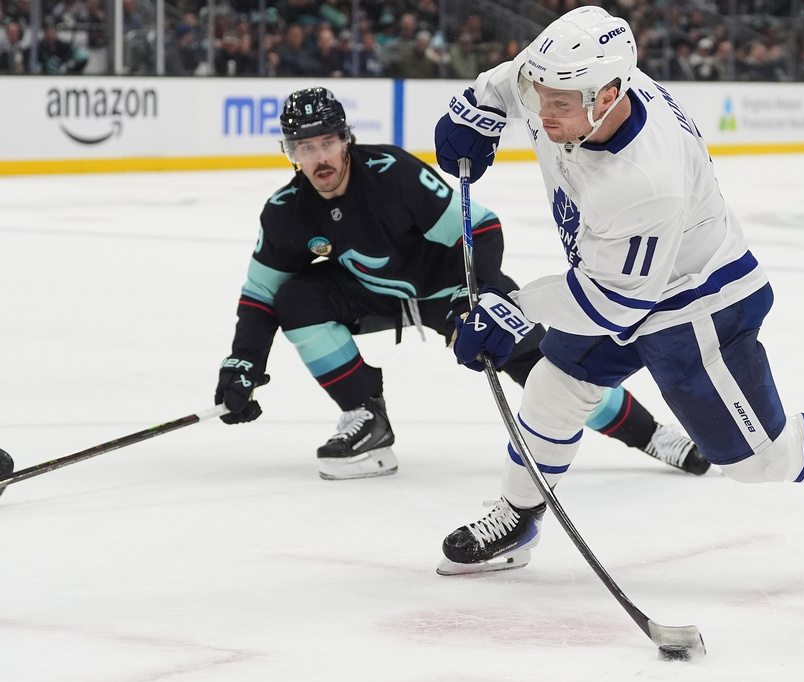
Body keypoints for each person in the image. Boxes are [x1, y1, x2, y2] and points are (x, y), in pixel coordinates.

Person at [433, 6, 804, 575]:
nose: (541, 113)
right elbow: (519, 76)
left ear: (610, 95)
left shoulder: (643, 180)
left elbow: (613, 303)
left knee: (759, 460)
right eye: (538, 95)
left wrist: (513, 311)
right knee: (554, 385)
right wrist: (481, 103)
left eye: (559, 104)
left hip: (693, 306)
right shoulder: (574, 77)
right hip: (621, 281)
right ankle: (519, 516)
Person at [214, 86, 710, 482]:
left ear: (345, 139)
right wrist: (242, 364)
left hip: (451, 287)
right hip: (371, 296)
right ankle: (366, 417)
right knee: (294, 298)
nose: (318, 158)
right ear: (290, 153)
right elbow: (259, 297)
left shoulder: (392, 175)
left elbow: (480, 226)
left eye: (326, 142)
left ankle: (651, 435)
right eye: (305, 148)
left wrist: (480, 296)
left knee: (549, 370)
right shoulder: (286, 211)